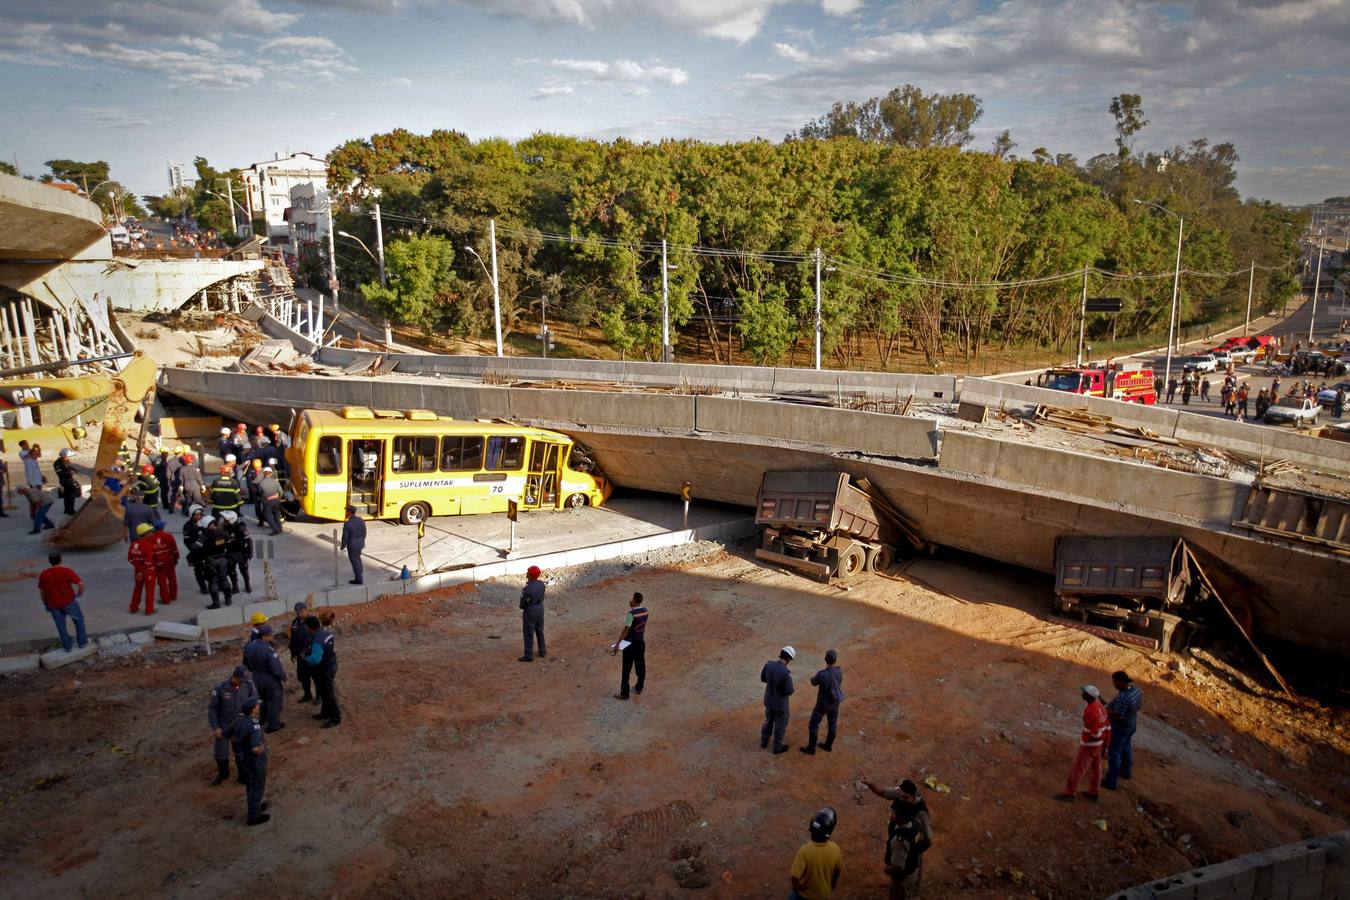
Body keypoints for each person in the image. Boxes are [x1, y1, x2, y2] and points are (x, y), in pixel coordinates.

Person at [861, 777, 933, 900]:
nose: (900, 799)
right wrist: (870, 784)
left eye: (905, 798)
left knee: (906, 882)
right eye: (900, 796)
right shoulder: (902, 797)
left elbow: (928, 841)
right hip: (910, 842)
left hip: (913, 847)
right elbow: (882, 792)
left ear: (913, 796)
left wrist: (912, 852)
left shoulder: (921, 814)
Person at [1055, 684, 1111, 802]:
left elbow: (1094, 733)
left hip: (1090, 745)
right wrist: (1105, 744)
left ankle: (1069, 794)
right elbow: (1107, 726)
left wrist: (1087, 742)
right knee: (1096, 767)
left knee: (1078, 768)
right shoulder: (1100, 706)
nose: (1082, 694)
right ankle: (1094, 792)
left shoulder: (1090, 711)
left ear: (1088, 696)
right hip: (1100, 743)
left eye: (1083, 692)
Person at [207, 666, 258, 786]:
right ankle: (223, 774)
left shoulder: (248, 686)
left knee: (240, 752)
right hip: (224, 726)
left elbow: (254, 705)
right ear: (234, 677)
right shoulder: (221, 688)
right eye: (241, 680)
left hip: (240, 727)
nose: (242, 683)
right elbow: (212, 709)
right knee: (221, 752)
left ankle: (243, 776)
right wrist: (215, 727)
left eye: (244, 681)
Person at [226, 696, 270, 826]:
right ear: (253, 709)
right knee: (257, 786)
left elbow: (228, 735)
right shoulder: (254, 725)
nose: (258, 707)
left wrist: (239, 744)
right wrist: (263, 747)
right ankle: (254, 816)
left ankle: (255, 807)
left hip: (244, 759)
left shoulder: (238, 720)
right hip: (256, 761)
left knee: (250, 785)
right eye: (257, 705)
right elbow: (255, 749)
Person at [788, 807, 843, 900]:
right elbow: (837, 870)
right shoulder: (835, 849)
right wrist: (832, 885)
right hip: (824, 894)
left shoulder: (805, 851)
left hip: (805, 894)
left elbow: (794, 875)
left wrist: (796, 887)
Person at [38, 552, 87, 652]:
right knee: (78, 620)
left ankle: (67, 645)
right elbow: (81, 584)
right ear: (61, 560)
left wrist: (45, 602)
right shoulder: (66, 571)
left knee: (60, 624)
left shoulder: (44, 574)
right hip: (68, 601)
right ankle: (82, 642)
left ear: (49, 562)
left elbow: (42, 591)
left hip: (53, 603)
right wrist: (79, 594)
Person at [242, 624, 288, 732]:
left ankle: (262, 719)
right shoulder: (268, 649)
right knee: (275, 701)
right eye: (270, 635)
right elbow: (276, 668)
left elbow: (245, 664)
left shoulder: (249, 646)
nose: (272, 637)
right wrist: (284, 678)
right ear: (264, 636)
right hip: (269, 679)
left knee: (262, 699)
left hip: (256, 678)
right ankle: (273, 724)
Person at [1102, 671, 1143, 790]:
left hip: (1120, 727)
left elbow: (1118, 716)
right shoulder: (1135, 691)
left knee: (1114, 753)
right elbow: (1138, 706)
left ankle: (1111, 781)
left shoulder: (1123, 698)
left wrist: (1107, 711)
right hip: (1131, 724)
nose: (1114, 684)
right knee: (1126, 747)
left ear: (1120, 682)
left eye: (1115, 682)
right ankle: (1126, 771)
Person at [801, 649, 843, 755]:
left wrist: (812, 678)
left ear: (825, 659)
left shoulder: (822, 674)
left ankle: (811, 748)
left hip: (823, 703)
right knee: (832, 724)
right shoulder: (839, 672)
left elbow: (813, 682)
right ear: (835, 660)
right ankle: (828, 745)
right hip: (834, 702)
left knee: (813, 724)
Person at [609, 592, 648, 700]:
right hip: (640, 642)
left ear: (634, 601)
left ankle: (624, 693)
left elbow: (626, 630)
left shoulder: (631, 614)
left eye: (632, 599)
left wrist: (617, 644)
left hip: (630, 645)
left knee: (626, 669)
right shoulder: (645, 611)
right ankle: (639, 687)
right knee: (640, 666)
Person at [303, 615, 340, 727]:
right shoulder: (325, 633)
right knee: (324, 691)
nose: (305, 628)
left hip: (324, 669)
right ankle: (326, 713)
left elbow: (315, 660)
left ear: (310, 628)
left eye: (306, 626)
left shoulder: (317, 641)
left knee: (328, 693)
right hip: (331, 664)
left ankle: (336, 717)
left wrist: (305, 658)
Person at [760, 645, 795, 754]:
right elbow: (789, 690)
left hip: (769, 700)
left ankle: (764, 741)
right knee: (780, 725)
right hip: (780, 705)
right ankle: (777, 747)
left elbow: (762, 678)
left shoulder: (768, 665)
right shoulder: (786, 673)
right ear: (788, 659)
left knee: (768, 721)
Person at [201, 516, 234, 609]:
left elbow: (197, 548)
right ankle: (228, 599)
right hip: (223, 559)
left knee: (213, 581)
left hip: (211, 560)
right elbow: (229, 544)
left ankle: (216, 603)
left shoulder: (206, 535)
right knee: (224, 578)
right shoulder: (223, 532)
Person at [127, 522, 158, 615]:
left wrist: (138, 569)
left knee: (137, 588)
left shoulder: (133, 544)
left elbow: (130, 559)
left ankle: (133, 607)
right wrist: (142, 571)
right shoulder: (148, 546)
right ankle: (149, 610)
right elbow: (148, 561)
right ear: (145, 534)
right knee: (149, 591)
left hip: (138, 570)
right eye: (150, 532)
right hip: (148, 571)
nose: (152, 534)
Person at [519, 564, 546, 662]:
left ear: (530, 575)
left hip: (530, 611)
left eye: (528, 573)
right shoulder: (541, 584)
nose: (526, 574)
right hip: (540, 609)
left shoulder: (527, 589)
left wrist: (522, 606)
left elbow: (522, 603)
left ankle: (528, 655)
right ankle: (542, 651)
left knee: (528, 634)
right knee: (540, 631)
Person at [288, 602, 315, 703]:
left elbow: (318, 637)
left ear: (306, 610)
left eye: (301, 611)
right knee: (303, 676)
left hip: (311, 654)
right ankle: (307, 694)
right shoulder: (295, 622)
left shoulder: (313, 621)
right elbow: (293, 639)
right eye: (297, 612)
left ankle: (319, 697)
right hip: (300, 655)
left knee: (316, 676)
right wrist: (293, 653)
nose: (299, 614)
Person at [221, 510, 253, 594]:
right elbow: (220, 540)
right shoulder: (224, 528)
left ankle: (247, 585)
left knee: (244, 570)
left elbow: (249, 540)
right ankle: (235, 587)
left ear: (231, 520)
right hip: (230, 553)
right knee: (231, 571)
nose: (224, 521)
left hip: (240, 553)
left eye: (226, 520)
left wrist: (250, 553)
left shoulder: (241, 527)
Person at [149, 521, 179, 606]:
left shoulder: (151, 538)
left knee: (162, 581)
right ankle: (173, 595)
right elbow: (175, 549)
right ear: (162, 527)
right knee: (172, 579)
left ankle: (165, 599)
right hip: (169, 561)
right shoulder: (169, 536)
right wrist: (176, 559)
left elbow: (150, 553)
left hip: (158, 563)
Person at [183, 505, 209, 593]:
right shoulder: (187, 526)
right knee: (199, 570)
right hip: (196, 552)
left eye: (200, 514)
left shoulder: (206, 522)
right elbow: (187, 541)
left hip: (207, 551)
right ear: (191, 514)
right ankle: (203, 587)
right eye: (196, 515)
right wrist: (194, 549)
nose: (198, 516)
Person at [340, 504, 366, 584]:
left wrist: (343, 546)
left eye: (346, 511)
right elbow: (364, 532)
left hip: (352, 545)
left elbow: (345, 537)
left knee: (354, 561)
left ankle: (359, 579)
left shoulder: (347, 524)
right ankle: (360, 572)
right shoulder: (361, 520)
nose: (346, 512)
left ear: (349, 512)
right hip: (360, 543)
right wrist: (362, 540)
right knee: (358, 558)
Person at [257, 465, 283, 535]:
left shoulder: (261, 483)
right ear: (271, 473)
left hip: (268, 501)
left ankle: (275, 530)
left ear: (264, 473)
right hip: (276, 500)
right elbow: (281, 492)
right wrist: (279, 498)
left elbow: (260, 493)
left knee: (268, 516)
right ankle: (280, 528)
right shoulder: (275, 481)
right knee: (276, 514)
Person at [53, 448, 79, 515]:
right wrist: (70, 473)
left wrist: (75, 470)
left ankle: (68, 509)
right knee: (70, 495)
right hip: (64, 480)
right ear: (64, 455)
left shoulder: (66, 461)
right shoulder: (57, 463)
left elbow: (69, 467)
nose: (68, 458)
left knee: (69, 495)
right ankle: (70, 511)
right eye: (67, 456)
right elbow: (60, 473)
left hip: (69, 479)